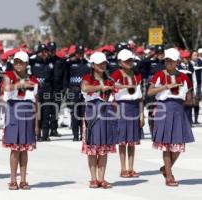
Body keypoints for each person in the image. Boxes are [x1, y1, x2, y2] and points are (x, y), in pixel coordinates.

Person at [147, 48, 195, 187]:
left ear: (177, 62)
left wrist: (188, 101)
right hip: (163, 108)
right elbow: (150, 92)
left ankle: (166, 169)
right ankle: (169, 176)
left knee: (179, 145)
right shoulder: (159, 75)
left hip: (179, 110)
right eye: (166, 60)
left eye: (171, 60)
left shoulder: (185, 77)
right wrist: (165, 86)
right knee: (167, 145)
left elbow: (189, 97)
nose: (168, 63)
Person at [2, 51, 39, 190]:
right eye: (16, 61)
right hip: (14, 113)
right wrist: (20, 84)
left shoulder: (33, 79)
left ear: (26, 64)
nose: (18, 64)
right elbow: (6, 88)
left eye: (21, 62)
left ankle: (23, 179)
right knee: (15, 149)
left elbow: (36, 102)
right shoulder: (9, 76)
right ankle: (13, 179)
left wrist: (37, 123)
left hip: (28, 114)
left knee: (24, 149)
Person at [81, 52, 117, 189]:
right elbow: (85, 88)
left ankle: (102, 179)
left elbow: (114, 95)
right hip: (92, 114)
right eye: (99, 63)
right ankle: (93, 179)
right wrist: (101, 87)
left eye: (104, 63)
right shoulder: (87, 78)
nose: (102, 65)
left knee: (104, 148)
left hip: (107, 115)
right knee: (92, 148)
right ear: (93, 65)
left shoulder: (109, 79)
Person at [111, 49, 144, 178]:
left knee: (132, 141)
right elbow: (113, 87)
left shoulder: (137, 74)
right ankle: (123, 168)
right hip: (122, 108)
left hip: (134, 107)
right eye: (126, 61)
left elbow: (140, 96)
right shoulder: (116, 74)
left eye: (131, 60)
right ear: (120, 62)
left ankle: (131, 168)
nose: (129, 63)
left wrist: (142, 114)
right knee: (122, 141)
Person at [66, 45, 91, 141]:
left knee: (84, 113)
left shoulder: (87, 64)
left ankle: (83, 135)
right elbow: (62, 68)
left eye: (81, 53)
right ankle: (75, 135)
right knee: (74, 113)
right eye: (78, 53)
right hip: (73, 91)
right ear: (75, 53)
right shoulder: (70, 63)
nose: (79, 55)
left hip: (84, 91)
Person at [30, 44, 54, 141]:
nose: (44, 53)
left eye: (45, 51)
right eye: (41, 51)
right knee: (37, 113)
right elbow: (26, 57)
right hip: (37, 92)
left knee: (46, 114)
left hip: (47, 91)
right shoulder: (33, 62)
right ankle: (37, 134)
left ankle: (45, 135)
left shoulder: (51, 63)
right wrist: (35, 53)